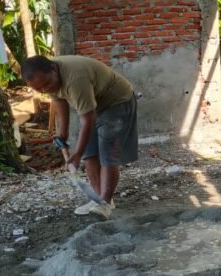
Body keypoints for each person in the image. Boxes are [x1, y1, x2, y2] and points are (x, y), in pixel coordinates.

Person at [21, 55, 138, 219]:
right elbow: (59, 101)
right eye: (39, 89)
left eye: (46, 84)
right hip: (94, 106)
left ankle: (105, 203)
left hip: (117, 102)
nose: (45, 90)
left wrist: (76, 154)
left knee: (108, 155)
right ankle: (99, 200)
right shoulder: (47, 80)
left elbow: (87, 119)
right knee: (89, 154)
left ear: (54, 69)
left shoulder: (75, 78)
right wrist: (63, 134)